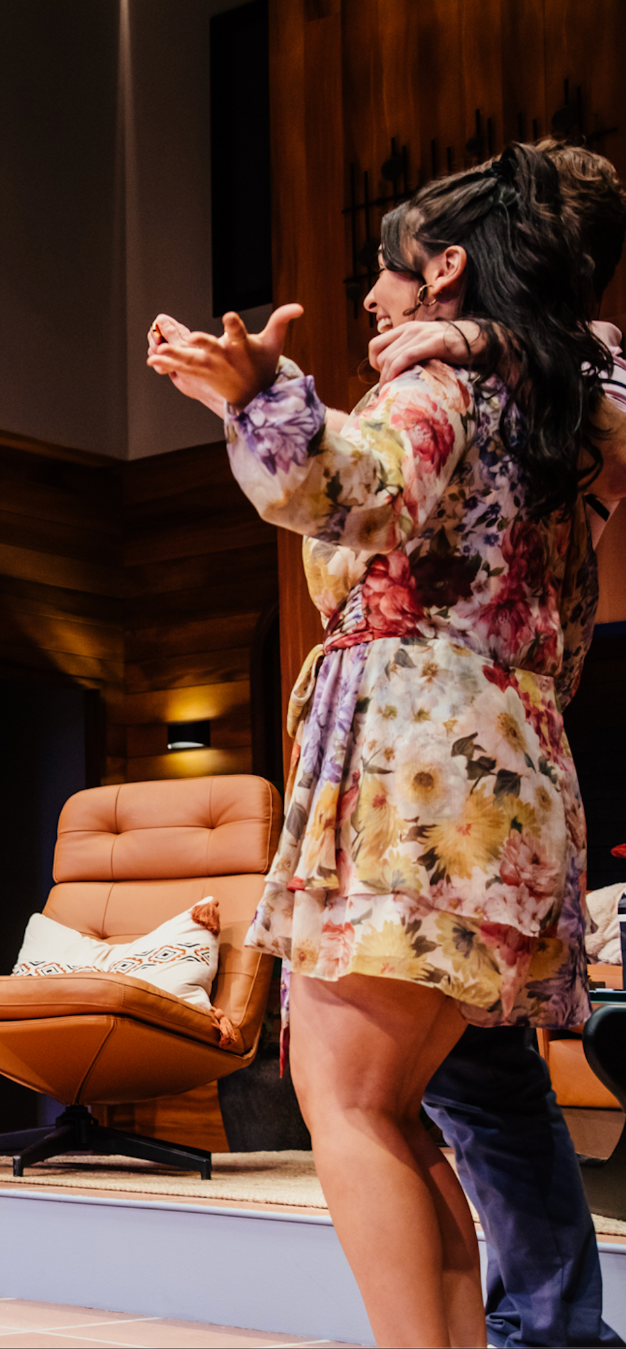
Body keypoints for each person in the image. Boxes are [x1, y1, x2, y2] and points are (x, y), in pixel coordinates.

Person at [159, 139, 626, 1348]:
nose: (371, 297)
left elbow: (344, 489)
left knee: (350, 1102)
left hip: (416, 775)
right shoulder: (569, 410)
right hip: (511, 770)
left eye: (386, 270)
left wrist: (258, 397)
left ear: (446, 269)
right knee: (408, 1106)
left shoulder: (439, 385)